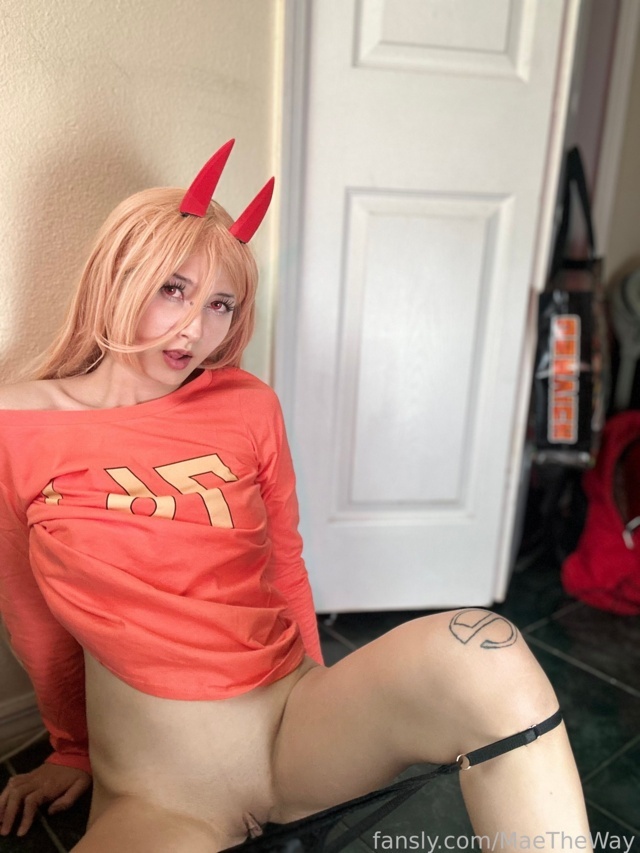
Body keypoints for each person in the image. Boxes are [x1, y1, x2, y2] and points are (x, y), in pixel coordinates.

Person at [0, 140, 592, 852]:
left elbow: (284, 560)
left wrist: (322, 692)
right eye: (173, 290)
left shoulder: (246, 404)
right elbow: (32, 619)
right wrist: (70, 748)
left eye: (220, 304)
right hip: (161, 796)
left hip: (296, 730)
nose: (195, 328)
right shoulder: (17, 428)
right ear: (116, 276)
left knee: (486, 647)